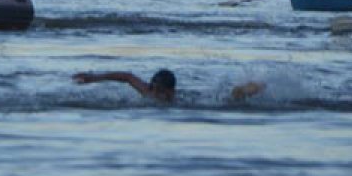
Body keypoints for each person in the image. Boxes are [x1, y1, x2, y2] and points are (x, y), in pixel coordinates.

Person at [72, 70, 266, 104]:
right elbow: (127, 77)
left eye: (159, 91)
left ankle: (247, 89)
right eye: (153, 89)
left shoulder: (179, 101)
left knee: (229, 99)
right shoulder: (148, 90)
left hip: (197, 100)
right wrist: (93, 78)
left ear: (170, 92)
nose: (154, 94)